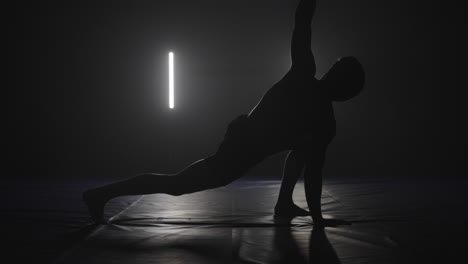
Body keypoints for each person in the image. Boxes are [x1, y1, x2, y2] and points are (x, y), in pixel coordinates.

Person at [83, 0, 365, 226]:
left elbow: (314, 174)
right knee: (178, 185)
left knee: (303, 149)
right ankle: (100, 194)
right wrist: (317, 219)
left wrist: (318, 219)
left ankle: (283, 203)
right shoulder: (315, 100)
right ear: (344, 90)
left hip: (247, 140)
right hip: (240, 148)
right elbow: (302, 23)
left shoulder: (319, 112)